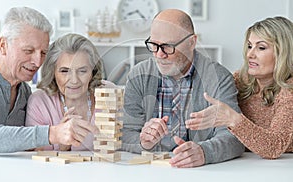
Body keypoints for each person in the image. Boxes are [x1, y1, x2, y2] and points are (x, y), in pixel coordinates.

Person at [121, 9, 245, 168]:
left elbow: (235, 136)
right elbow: (125, 133)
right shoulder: (138, 75)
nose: (159, 55)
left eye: (167, 46)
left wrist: (204, 152)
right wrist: (143, 142)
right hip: (151, 170)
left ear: (191, 42)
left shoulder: (219, 77)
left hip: (202, 172)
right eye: (153, 45)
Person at [185, 16, 293, 159]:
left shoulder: (289, 92)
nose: (250, 54)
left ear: (283, 53)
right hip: (243, 161)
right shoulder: (239, 80)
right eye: (249, 46)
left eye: (261, 48)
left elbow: (274, 147)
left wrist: (234, 119)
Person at [0, 7, 97, 153]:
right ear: (3, 46)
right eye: (28, 51)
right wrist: (53, 133)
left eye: (43, 53)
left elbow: (25, 147)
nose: (37, 62)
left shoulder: (24, 92)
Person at [25, 33, 116, 151]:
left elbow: (124, 143)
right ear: (53, 72)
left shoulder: (109, 93)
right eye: (64, 71)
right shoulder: (40, 102)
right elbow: (37, 158)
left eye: (82, 71)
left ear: (92, 72)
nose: (74, 80)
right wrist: (63, 144)